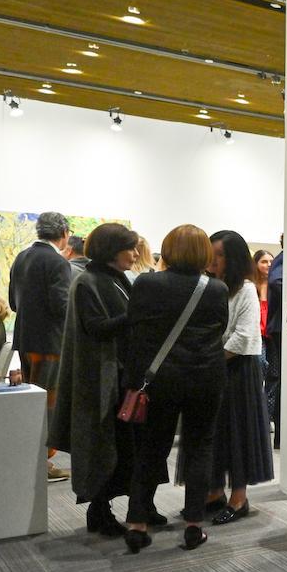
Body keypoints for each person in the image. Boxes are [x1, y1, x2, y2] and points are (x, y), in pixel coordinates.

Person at [121, 225, 229, 554]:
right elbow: (220, 328)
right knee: (200, 447)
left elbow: (135, 332)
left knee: (151, 448)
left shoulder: (147, 283)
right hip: (206, 377)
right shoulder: (216, 289)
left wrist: (135, 381)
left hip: (159, 379)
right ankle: (194, 524)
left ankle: (137, 522)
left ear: (167, 250)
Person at [49, 223, 138, 537]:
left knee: (117, 446)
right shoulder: (89, 281)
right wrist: (139, 313)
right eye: (130, 247)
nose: (135, 254)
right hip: (99, 380)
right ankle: (99, 511)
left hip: (115, 377)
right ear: (113, 250)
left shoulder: (114, 279)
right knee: (102, 447)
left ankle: (105, 510)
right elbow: (98, 327)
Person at [194, 230, 273, 525]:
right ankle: (214, 491)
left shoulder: (246, 290)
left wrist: (208, 358)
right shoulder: (210, 286)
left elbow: (243, 338)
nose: (214, 260)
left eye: (220, 254)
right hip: (215, 369)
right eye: (211, 253)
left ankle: (238, 497)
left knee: (238, 434)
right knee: (213, 433)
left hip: (238, 371)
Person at [9, 211, 75, 482]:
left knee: (32, 400)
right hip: (50, 343)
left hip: (25, 340)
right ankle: (42, 463)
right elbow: (62, 305)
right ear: (64, 233)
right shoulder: (57, 262)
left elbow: (13, 302)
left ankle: (32, 459)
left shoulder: (21, 257)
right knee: (48, 404)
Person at [266, 238, 284, 448]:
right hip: (281, 329)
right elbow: (276, 282)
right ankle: (281, 434)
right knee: (281, 382)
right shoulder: (284, 259)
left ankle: (281, 435)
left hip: (281, 328)